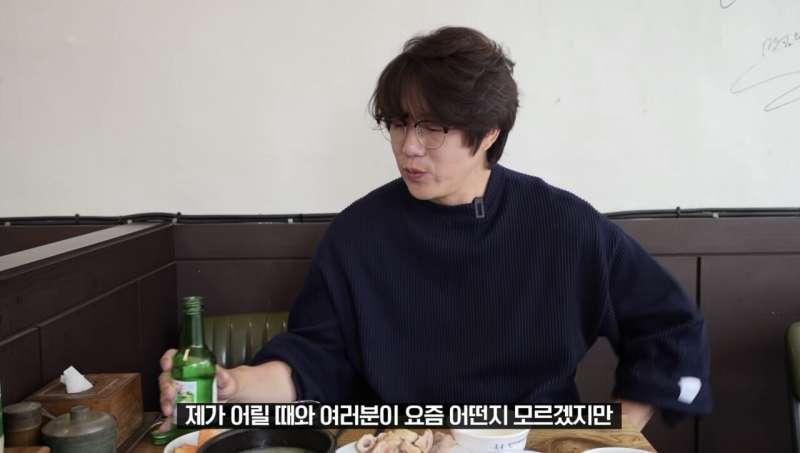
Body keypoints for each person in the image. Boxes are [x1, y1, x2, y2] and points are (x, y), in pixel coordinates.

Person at [159, 26, 711, 431]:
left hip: (532, 439)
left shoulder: (565, 225)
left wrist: (615, 432)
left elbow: (669, 326)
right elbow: (315, 359)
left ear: (488, 132)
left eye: (432, 127)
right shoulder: (359, 234)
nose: (409, 147)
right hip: (400, 440)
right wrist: (234, 386)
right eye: (399, 124)